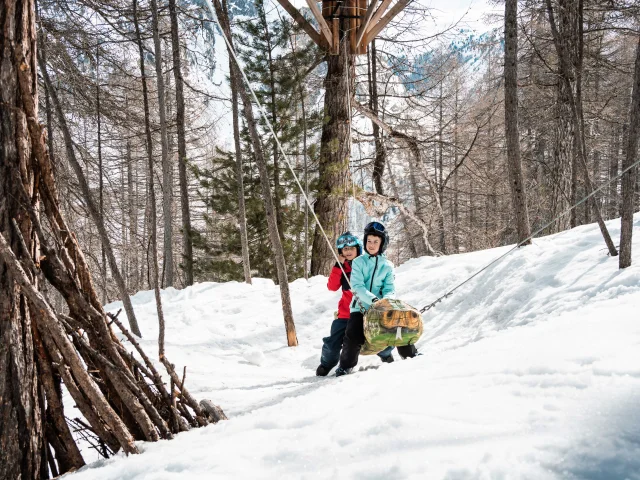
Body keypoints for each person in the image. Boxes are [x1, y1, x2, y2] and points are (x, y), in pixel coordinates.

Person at [335, 222, 418, 377]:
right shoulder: (359, 262)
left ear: (382, 244)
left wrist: (385, 302)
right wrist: (373, 301)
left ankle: (410, 354)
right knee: (353, 335)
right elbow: (358, 286)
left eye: (375, 242)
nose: (371, 245)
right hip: (360, 307)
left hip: (382, 308)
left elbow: (389, 289)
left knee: (398, 325)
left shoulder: (387, 266)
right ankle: (345, 365)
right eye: (369, 241)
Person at [316, 231, 394, 376]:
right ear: (341, 252)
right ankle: (326, 363)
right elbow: (332, 286)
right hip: (345, 314)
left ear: (358, 248)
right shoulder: (342, 268)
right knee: (333, 343)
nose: (348, 251)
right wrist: (338, 265)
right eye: (345, 249)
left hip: (367, 311)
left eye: (351, 248)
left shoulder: (365, 264)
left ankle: (386, 354)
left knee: (377, 336)